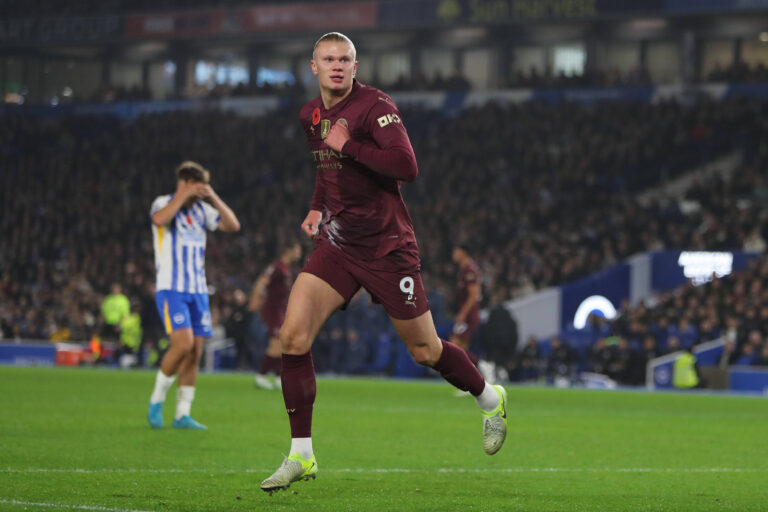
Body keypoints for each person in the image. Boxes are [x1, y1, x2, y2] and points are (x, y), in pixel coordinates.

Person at [260, 32, 507, 494]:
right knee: (292, 338)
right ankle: (301, 454)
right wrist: (317, 206)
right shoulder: (309, 115)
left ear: (356, 65)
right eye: (328, 59)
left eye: (345, 59)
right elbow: (324, 164)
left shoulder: (375, 107)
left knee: (426, 351)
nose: (337, 65)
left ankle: (490, 399)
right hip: (336, 244)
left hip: (387, 247)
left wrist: (349, 144)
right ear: (312, 67)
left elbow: (406, 165)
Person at [146, 161, 240, 430]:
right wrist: (183, 195)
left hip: (198, 290)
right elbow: (159, 220)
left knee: (195, 351)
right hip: (171, 287)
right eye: (197, 186)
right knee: (183, 344)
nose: (200, 192)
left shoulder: (202, 210)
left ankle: (182, 414)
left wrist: (213, 197)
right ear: (185, 183)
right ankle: (156, 400)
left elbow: (233, 225)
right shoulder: (163, 203)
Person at [249, 241, 302, 390]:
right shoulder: (277, 267)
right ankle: (262, 376)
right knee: (276, 344)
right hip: (273, 310)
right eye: (297, 249)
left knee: (282, 343)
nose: (299, 253)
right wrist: (255, 299)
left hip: (281, 310)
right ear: (289, 251)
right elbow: (262, 281)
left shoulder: (286, 269)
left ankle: (279, 378)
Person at [450, 245, 482, 367]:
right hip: (468, 314)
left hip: (469, 315)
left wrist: (463, 313)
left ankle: (482, 365)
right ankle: (465, 379)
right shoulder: (464, 269)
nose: (453, 254)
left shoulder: (469, 269)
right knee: (460, 349)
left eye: (456, 251)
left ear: (463, 252)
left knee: (454, 345)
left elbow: (474, 294)